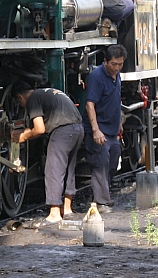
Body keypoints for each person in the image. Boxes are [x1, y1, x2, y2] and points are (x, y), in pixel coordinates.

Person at [13, 83, 84, 223]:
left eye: (19, 103)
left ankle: (55, 214)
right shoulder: (48, 92)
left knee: (54, 170)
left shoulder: (33, 99)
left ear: (20, 97)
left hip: (62, 131)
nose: (22, 106)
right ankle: (67, 209)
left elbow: (39, 129)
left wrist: (23, 136)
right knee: (69, 169)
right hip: (78, 128)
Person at [82, 44, 127, 210]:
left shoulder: (117, 75)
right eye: (114, 64)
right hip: (99, 128)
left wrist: (120, 122)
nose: (117, 68)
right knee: (100, 163)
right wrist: (95, 130)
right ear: (106, 61)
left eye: (120, 64)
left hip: (112, 128)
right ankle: (101, 202)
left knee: (113, 161)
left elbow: (116, 100)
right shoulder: (97, 76)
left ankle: (100, 196)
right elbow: (89, 104)